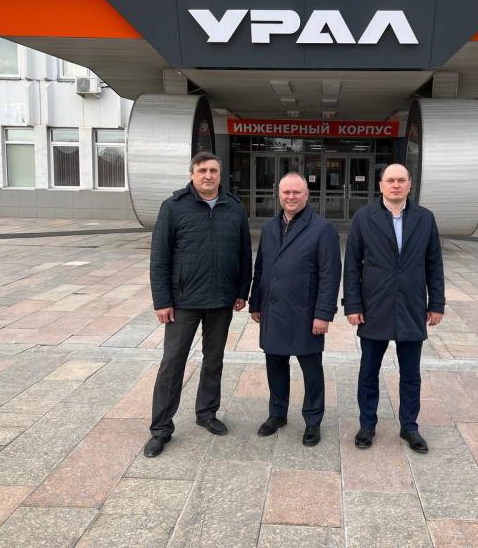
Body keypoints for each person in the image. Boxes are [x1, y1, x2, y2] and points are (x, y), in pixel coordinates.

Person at [144, 151, 252, 458]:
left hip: (221, 300)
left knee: (214, 360)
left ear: (220, 174)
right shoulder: (173, 207)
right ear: (192, 174)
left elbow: (245, 254)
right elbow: (159, 258)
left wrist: (242, 290)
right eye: (202, 170)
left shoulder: (234, 207)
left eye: (213, 170)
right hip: (184, 301)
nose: (208, 175)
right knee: (172, 363)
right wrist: (162, 301)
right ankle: (161, 429)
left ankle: (206, 413)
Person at [343, 163, 445, 454]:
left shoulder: (425, 218)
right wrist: (353, 304)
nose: (396, 185)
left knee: (410, 374)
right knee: (368, 371)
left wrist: (436, 303)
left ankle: (409, 426)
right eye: (391, 180)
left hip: (412, 307)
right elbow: (352, 265)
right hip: (374, 306)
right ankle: (367, 425)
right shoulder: (364, 217)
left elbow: (434, 263)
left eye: (401, 180)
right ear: (381, 185)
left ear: (410, 185)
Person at [249, 172, 341, 447]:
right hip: (273, 310)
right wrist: (255, 303)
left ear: (306, 195)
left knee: (311, 371)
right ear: (279, 195)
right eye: (286, 192)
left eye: (296, 192)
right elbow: (261, 267)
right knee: (275, 366)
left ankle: (313, 421)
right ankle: (277, 413)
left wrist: (323, 314)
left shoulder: (322, 229)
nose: (291, 197)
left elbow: (330, 275)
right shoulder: (270, 227)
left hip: (305, 314)